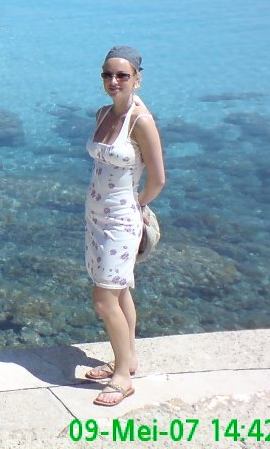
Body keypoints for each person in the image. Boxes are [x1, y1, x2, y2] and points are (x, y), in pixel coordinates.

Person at [83, 45, 166, 407]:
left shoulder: (141, 121)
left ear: (137, 79)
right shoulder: (103, 113)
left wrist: (139, 205)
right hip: (95, 217)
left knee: (103, 299)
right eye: (107, 74)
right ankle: (127, 359)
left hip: (121, 222)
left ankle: (121, 378)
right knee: (119, 291)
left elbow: (158, 179)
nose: (114, 81)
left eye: (122, 75)